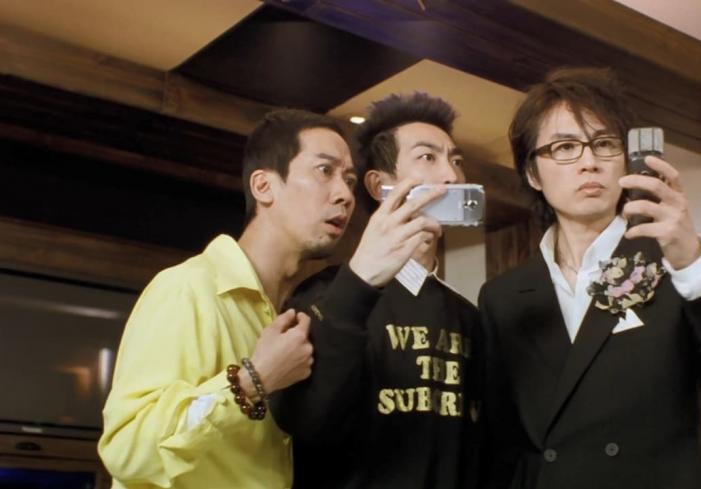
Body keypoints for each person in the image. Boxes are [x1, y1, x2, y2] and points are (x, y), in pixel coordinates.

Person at [478, 68, 701, 489]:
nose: (589, 162)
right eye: (565, 147)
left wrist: (693, 263)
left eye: (605, 144)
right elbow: (499, 446)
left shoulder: (679, 261)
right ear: (533, 174)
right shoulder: (502, 297)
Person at [99, 108, 381, 488]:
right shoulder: (187, 288)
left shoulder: (302, 311)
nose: (345, 195)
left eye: (348, 180)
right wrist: (253, 380)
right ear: (263, 187)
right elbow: (127, 447)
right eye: (324, 171)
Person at [269, 92, 483, 489]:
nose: (452, 177)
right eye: (427, 157)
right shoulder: (322, 297)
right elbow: (303, 421)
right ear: (379, 184)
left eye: (455, 161)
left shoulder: (469, 316)